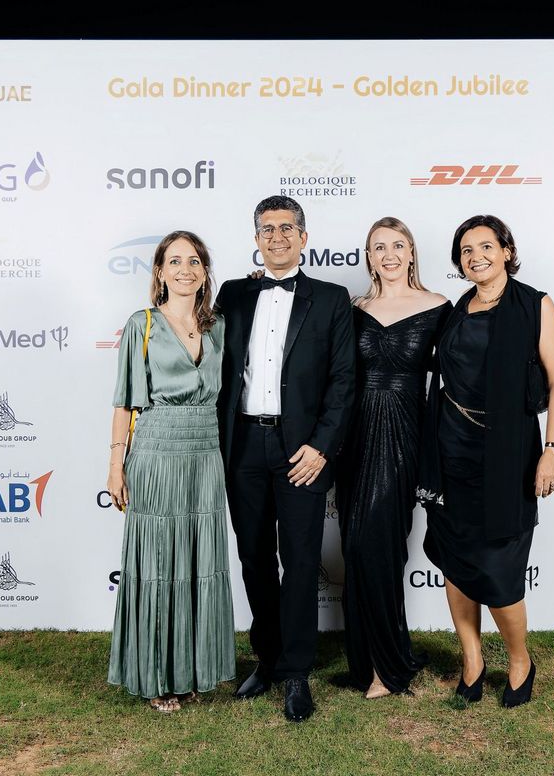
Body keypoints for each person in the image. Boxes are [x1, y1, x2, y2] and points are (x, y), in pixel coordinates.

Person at [417, 215, 554, 709]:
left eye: (486, 246)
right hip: (450, 448)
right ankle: (472, 661)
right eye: (466, 250)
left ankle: (520, 660)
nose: (476, 256)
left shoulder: (535, 305)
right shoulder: (456, 309)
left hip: (508, 454)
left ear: (507, 250)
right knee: (456, 563)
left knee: (501, 570)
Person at [215, 195, 356, 722]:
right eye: (267, 229)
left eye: (286, 228)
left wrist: (321, 446)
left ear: (303, 237)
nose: (276, 237)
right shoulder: (233, 293)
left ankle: (297, 671)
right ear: (257, 239)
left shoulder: (332, 298)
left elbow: (343, 380)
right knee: (254, 558)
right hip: (244, 444)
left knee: (299, 561)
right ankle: (268, 658)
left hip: (302, 450)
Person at [106, 231, 236, 713]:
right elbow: (124, 402)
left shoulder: (219, 326)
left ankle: (192, 671)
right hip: (157, 452)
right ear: (160, 272)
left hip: (206, 453)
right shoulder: (141, 324)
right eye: (175, 261)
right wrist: (115, 465)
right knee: (160, 564)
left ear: (205, 272)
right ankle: (157, 677)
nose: (185, 269)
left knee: (200, 562)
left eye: (194, 261)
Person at [335, 217, 447, 699]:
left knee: (380, 547)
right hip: (355, 437)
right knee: (355, 547)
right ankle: (368, 659)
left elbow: (460, 370)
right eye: (379, 247)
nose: (389, 255)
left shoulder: (439, 306)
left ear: (412, 252)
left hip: (404, 434)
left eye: (398, 245)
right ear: (369, 256)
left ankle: (387, 666)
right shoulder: (353, 309)